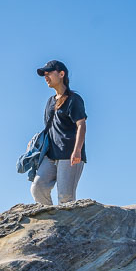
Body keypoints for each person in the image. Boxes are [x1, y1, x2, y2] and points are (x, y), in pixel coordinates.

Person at [32, 60, 87, 205]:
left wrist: (77, 150)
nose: (46, 76)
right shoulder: (50, 101)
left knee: (65, 198)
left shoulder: (74, 99)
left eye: (49, 72)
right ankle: (50, 220)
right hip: (50, 155)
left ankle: (67, 227)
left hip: (69, 155)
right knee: (37, 187)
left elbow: (81, 125)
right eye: (44, 74)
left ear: (61, 74)